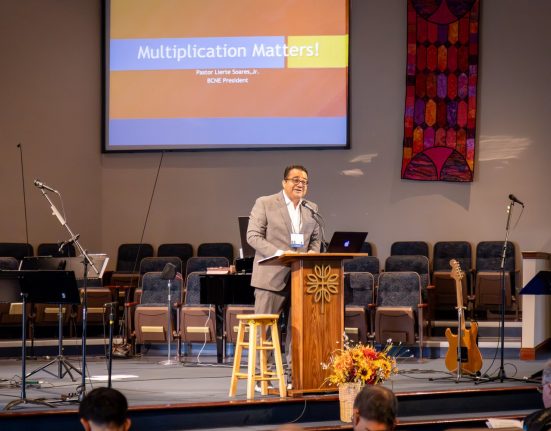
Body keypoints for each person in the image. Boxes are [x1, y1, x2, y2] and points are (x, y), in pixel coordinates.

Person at [247, 165, 321, 381]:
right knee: (266, 331)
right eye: (295, 179)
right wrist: (280, 253)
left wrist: (311, 256)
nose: (300, 184)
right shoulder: (266, 203)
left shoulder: (311, 207)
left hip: (300, 277)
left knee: (296, 329)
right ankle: (264, 376)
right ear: (284, 182)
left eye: (304, 181)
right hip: (271, 276)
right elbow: (253, 236)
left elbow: (316, 238)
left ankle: (293, 375)